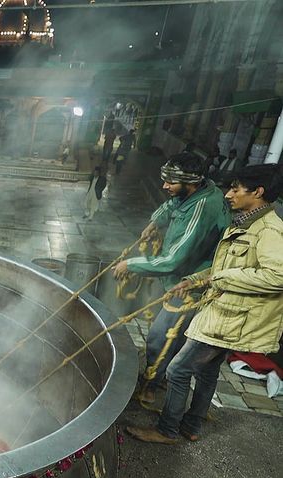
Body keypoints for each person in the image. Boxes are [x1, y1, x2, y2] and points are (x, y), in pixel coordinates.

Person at [128, 164, 283, 444]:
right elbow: (225, 265)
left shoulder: (270, 231)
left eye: (236, 188)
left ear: (258, 192)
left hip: (231, 317)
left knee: (178, 370)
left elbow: (277, 275)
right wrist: (195, 280)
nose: (228, 195)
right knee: (208, 371)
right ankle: (193, 425)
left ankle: (168, 430)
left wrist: (222, 278)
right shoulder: (246, 221)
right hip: (226, 310)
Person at [113, 153, 230, 401]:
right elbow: (172, 204)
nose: (165, 186)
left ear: (191, 182)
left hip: (189, 284)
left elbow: (173, 261)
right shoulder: (199, 190)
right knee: (167, 332)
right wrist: (156, 222)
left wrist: (130, 264)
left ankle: (152, 384)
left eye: (171, 182)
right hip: (177, 278)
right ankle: (159, 375)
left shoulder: (202, 208)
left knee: (161, 335)